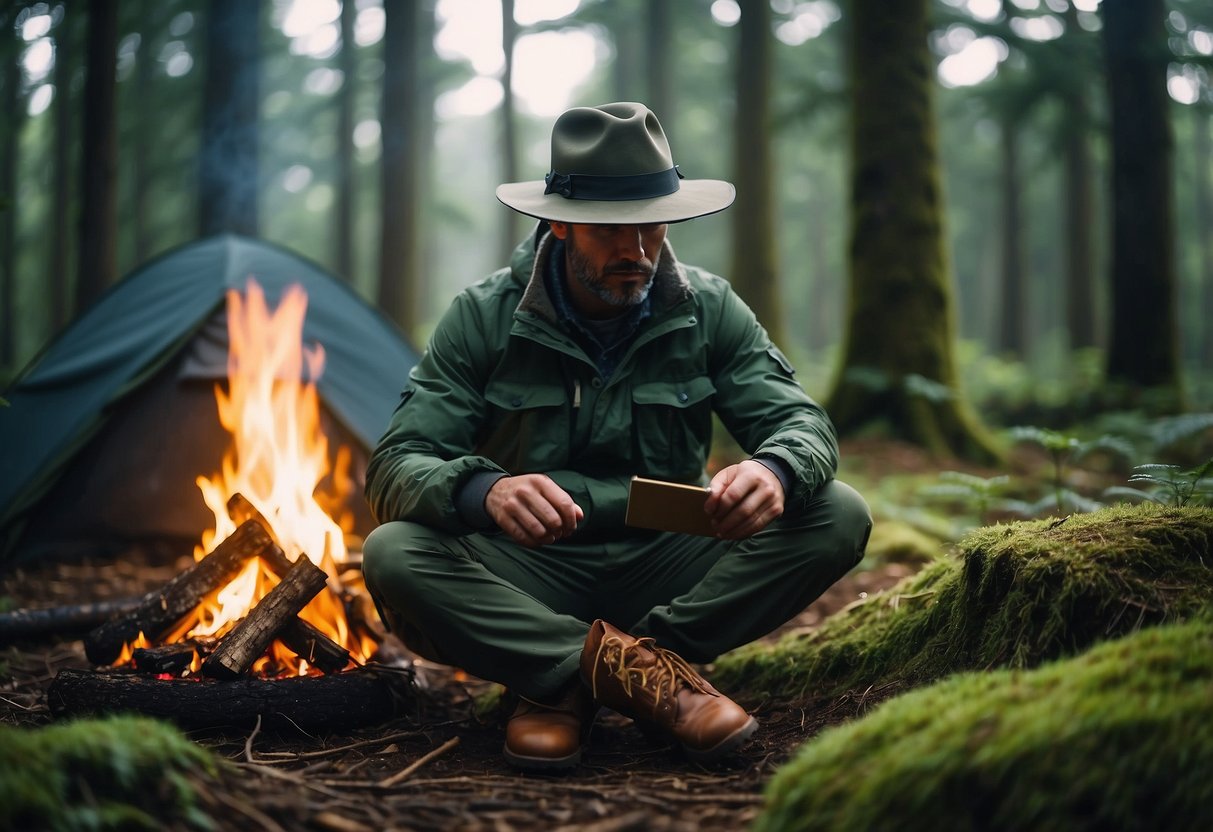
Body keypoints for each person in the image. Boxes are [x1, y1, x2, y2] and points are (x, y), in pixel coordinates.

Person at [362, 101, 872, 771]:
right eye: (608, 230)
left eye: (651, 225)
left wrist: (774, 470)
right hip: (526, 571)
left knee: (837, 512)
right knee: (393, 552)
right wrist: (482, 491)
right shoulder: (483, 317)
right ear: (560, 224)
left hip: (666, 566)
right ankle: (632, 683)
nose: (634, 251)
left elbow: (799, 422)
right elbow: (397, 464)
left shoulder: (708, 308)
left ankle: (596, 675)